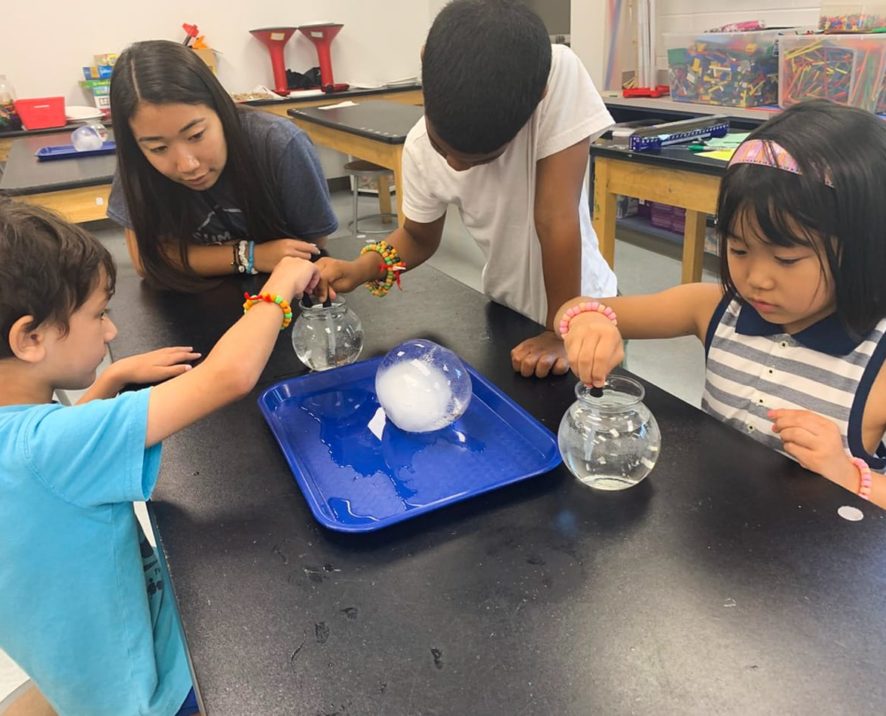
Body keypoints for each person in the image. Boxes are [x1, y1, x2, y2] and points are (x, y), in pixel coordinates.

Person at [0, 199, 320, 714]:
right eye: (98, 315)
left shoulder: (23, 437)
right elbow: (229, 375)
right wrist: (278, 286)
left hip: (74, 668)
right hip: (152, 693)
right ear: (30, 337)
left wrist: (110, 378)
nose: (111, 332)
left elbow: (44, 461)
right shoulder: (49, 446)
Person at [554, 100, 886, 509]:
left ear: (863, 249)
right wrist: (590, 322)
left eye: (787, 259)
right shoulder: (714, 309)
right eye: (738, 248)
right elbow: (573, 308)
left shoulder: (877, 363)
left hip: (812, 560)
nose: (756, 279)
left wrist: (850, 475)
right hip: (718, 535)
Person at [316, 0, 617, 378]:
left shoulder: (555, 73)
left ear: (538, 94)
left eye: (480, 160)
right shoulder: (417, 148)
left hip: (585, 312)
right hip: (507, 310)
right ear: (425, 64)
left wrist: (563, 329)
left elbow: (555, 217)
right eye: (442, 148)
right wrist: (362, 268)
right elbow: (417, 236)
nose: (455, 165)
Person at [107, 39, 337, 291]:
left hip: (282, 293)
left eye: (196, 135)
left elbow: (309, 249)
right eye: (158, 148)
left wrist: (199, 258)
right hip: (190, 302)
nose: (188, 165)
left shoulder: (279, 143)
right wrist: (252, 256)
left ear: (221, 109)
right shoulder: (136, 161)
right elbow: (146, 260)